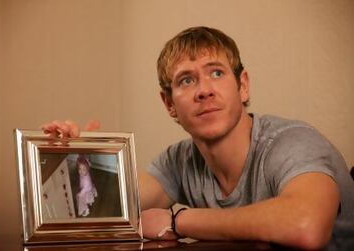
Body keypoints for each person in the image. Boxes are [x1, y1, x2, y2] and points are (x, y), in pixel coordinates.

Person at [41, 26, 354, 249]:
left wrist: (178, 221)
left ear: (242, 86)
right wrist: (77, 159)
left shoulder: (293, 143)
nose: (204, 90)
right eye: (186, 80)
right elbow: (112, 210)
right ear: (169, 104)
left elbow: (305, 227)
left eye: (216, 72)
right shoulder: (179, 160)